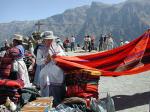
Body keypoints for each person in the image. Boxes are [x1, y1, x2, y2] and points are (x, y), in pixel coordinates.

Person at [38, 31, 66, 106]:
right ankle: (50, 104)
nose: (49, 41)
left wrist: (56, 55)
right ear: (44, 40)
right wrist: (46, 60)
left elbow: (63, 54)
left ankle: (59, 103)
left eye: (51, 39)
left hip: (58, 71)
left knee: (59, 87)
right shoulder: (40, 49)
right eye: (48, 40)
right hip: (47, 72)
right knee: (48, 87)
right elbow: (38, 62)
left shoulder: (56, 46)